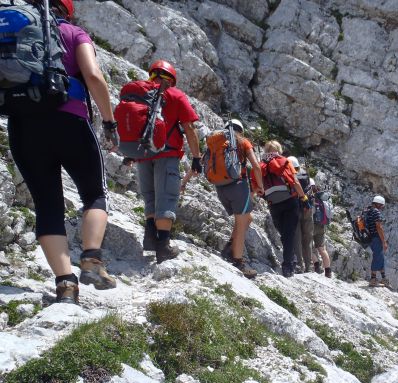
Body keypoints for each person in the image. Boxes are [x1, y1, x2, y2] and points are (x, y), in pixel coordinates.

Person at [7, 0, 119, 304]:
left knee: (48, 206)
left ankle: (66, 286)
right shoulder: (73, 32)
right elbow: (93, 76)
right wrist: (109, 122)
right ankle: (92, 261)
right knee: (94, 194)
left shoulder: (14, 32)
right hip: (70, 121)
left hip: (23, 125)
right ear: (66, 11)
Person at [135, 60, 201, 264]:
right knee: (166, 196)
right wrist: (197, 157)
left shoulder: (140, 92)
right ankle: (163, 246)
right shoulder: (175, 95)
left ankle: (149, 236)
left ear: (152, 74)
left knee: (150, 196)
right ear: (172, 79)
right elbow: (189, 128)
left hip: (142, 154)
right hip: (166, 154)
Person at [214, 119, 264, 279]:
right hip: (237, 186)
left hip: (220, 187)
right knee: (242, 223)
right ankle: (238, 261)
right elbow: (256, 166)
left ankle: (230, 246)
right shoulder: (242, 142)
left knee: (247, 218)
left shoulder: (217, 142)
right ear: (240, 130)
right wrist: (261, 186)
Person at [255, 141, 310, 277]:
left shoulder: (261, 165)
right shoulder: (283, 161)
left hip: (274, 204)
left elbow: (257, 188)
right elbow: (294, 181)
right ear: (278, 150)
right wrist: (304, 198)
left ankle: (291, 260)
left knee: (284, 233)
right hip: (290, 202)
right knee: (288, 234)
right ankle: (288, 266)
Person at [289, 156, 314, 273]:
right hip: (308, 209)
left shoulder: (288, 175)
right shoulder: (305, 175)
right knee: (307, 239)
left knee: (297, 238)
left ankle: (299, 265)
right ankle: (308, 266)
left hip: (295, 209)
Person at [310, 179, 332, 278]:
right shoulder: (322, 198)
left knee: (308, 246)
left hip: (311, 225)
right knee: (322, 249)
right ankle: (328, 271)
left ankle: (317, 265)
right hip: (321, 226)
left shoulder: (310, 197)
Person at [366, 195, 389, 287]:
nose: (382, 208)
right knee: (377, 257)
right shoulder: (376, 212)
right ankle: (373, 279)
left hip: (371, 237)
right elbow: (379, 227)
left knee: (380, 256)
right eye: (382, 206)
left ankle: (383, 278)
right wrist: (384, 241)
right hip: (376, 237)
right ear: (379, 204)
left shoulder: (368, 211)